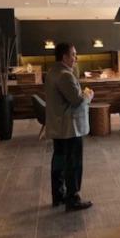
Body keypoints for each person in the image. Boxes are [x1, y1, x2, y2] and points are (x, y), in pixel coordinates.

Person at [44, 42, 93, 211]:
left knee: (59, 160)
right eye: (73, 54)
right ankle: (73, 198)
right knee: (73, 163)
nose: (75, 58)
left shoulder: (52, 72)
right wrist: (88, 95)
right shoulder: (65, 75)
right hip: (69, 127)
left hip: (58, 126)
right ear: (64, 57)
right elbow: (77, 100)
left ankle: (58, 195)